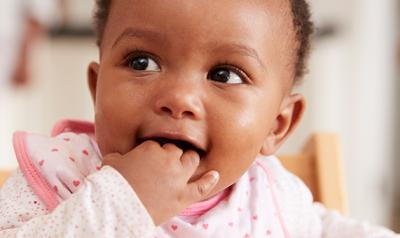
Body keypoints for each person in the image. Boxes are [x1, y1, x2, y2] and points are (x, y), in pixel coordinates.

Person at [0, 0, 399, 237]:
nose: (179, 99)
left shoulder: (271, 196)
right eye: (142, 62)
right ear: (96, 87)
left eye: (224, 74)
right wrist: (121, 200)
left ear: (277, 126)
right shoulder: (57, 176)